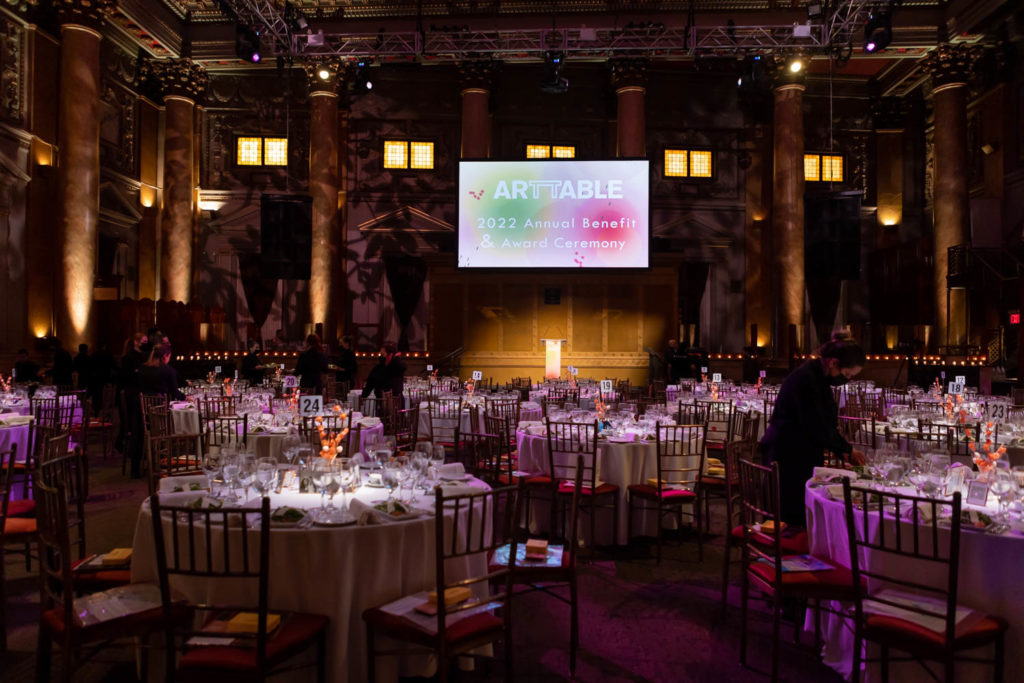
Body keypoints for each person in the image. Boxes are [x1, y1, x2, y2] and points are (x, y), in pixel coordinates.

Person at [759, 334, 867, 527]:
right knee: (791, 517)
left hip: (797, 452)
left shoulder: (816, 375)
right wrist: (848, 450)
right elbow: (817, 425)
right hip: (788, 455)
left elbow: (822, 424)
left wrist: (842, 451)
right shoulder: (807, 379)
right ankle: (790, 553)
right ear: (834, 363)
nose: (847, 380)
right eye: (848, 375)